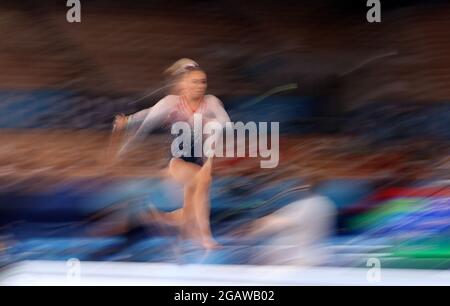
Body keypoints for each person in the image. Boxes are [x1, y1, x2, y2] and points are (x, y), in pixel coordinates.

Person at [112, 59, 231, 249]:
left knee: (190, 211)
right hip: (176, 160)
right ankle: (206, 238)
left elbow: (226, 122)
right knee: (202, 181)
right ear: (183, 85)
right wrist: (126, 135)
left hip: (201, 158)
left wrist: (213, 124)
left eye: (203, 82)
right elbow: (147, 120)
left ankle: (160, 219)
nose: (200, 86)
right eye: (194, 82)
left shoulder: (211, 102)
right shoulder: (172, 103)